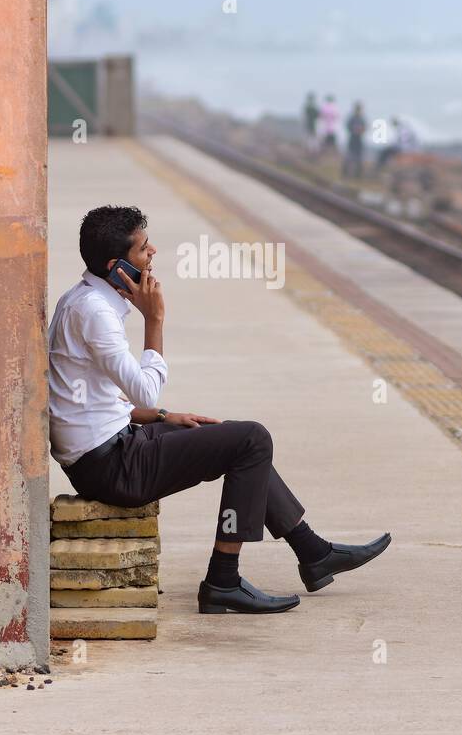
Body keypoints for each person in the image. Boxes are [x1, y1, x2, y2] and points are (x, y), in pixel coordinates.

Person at [48, 206, 392, 615]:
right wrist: (154, 320)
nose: (153, 251)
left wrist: (163, 418)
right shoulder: (96, 313)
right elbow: (144, 391)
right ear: (116, 266)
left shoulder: (82, 300)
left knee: (229, 435)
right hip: (112, 468)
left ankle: (314, 552)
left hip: (109, 448)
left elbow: (87, 402)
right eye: (143, 248)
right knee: (251, 440)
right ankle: (223, 580)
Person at [342, 100, 367, 179]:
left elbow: (365, 128)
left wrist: (360, 130)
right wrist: (354, 130)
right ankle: (345, 173)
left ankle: (358, 175)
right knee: (349, 157)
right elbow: (348, 127)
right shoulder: (352, 118)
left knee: (359, 158)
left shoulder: (362, 119)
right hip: (352, 139)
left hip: (358, 139)